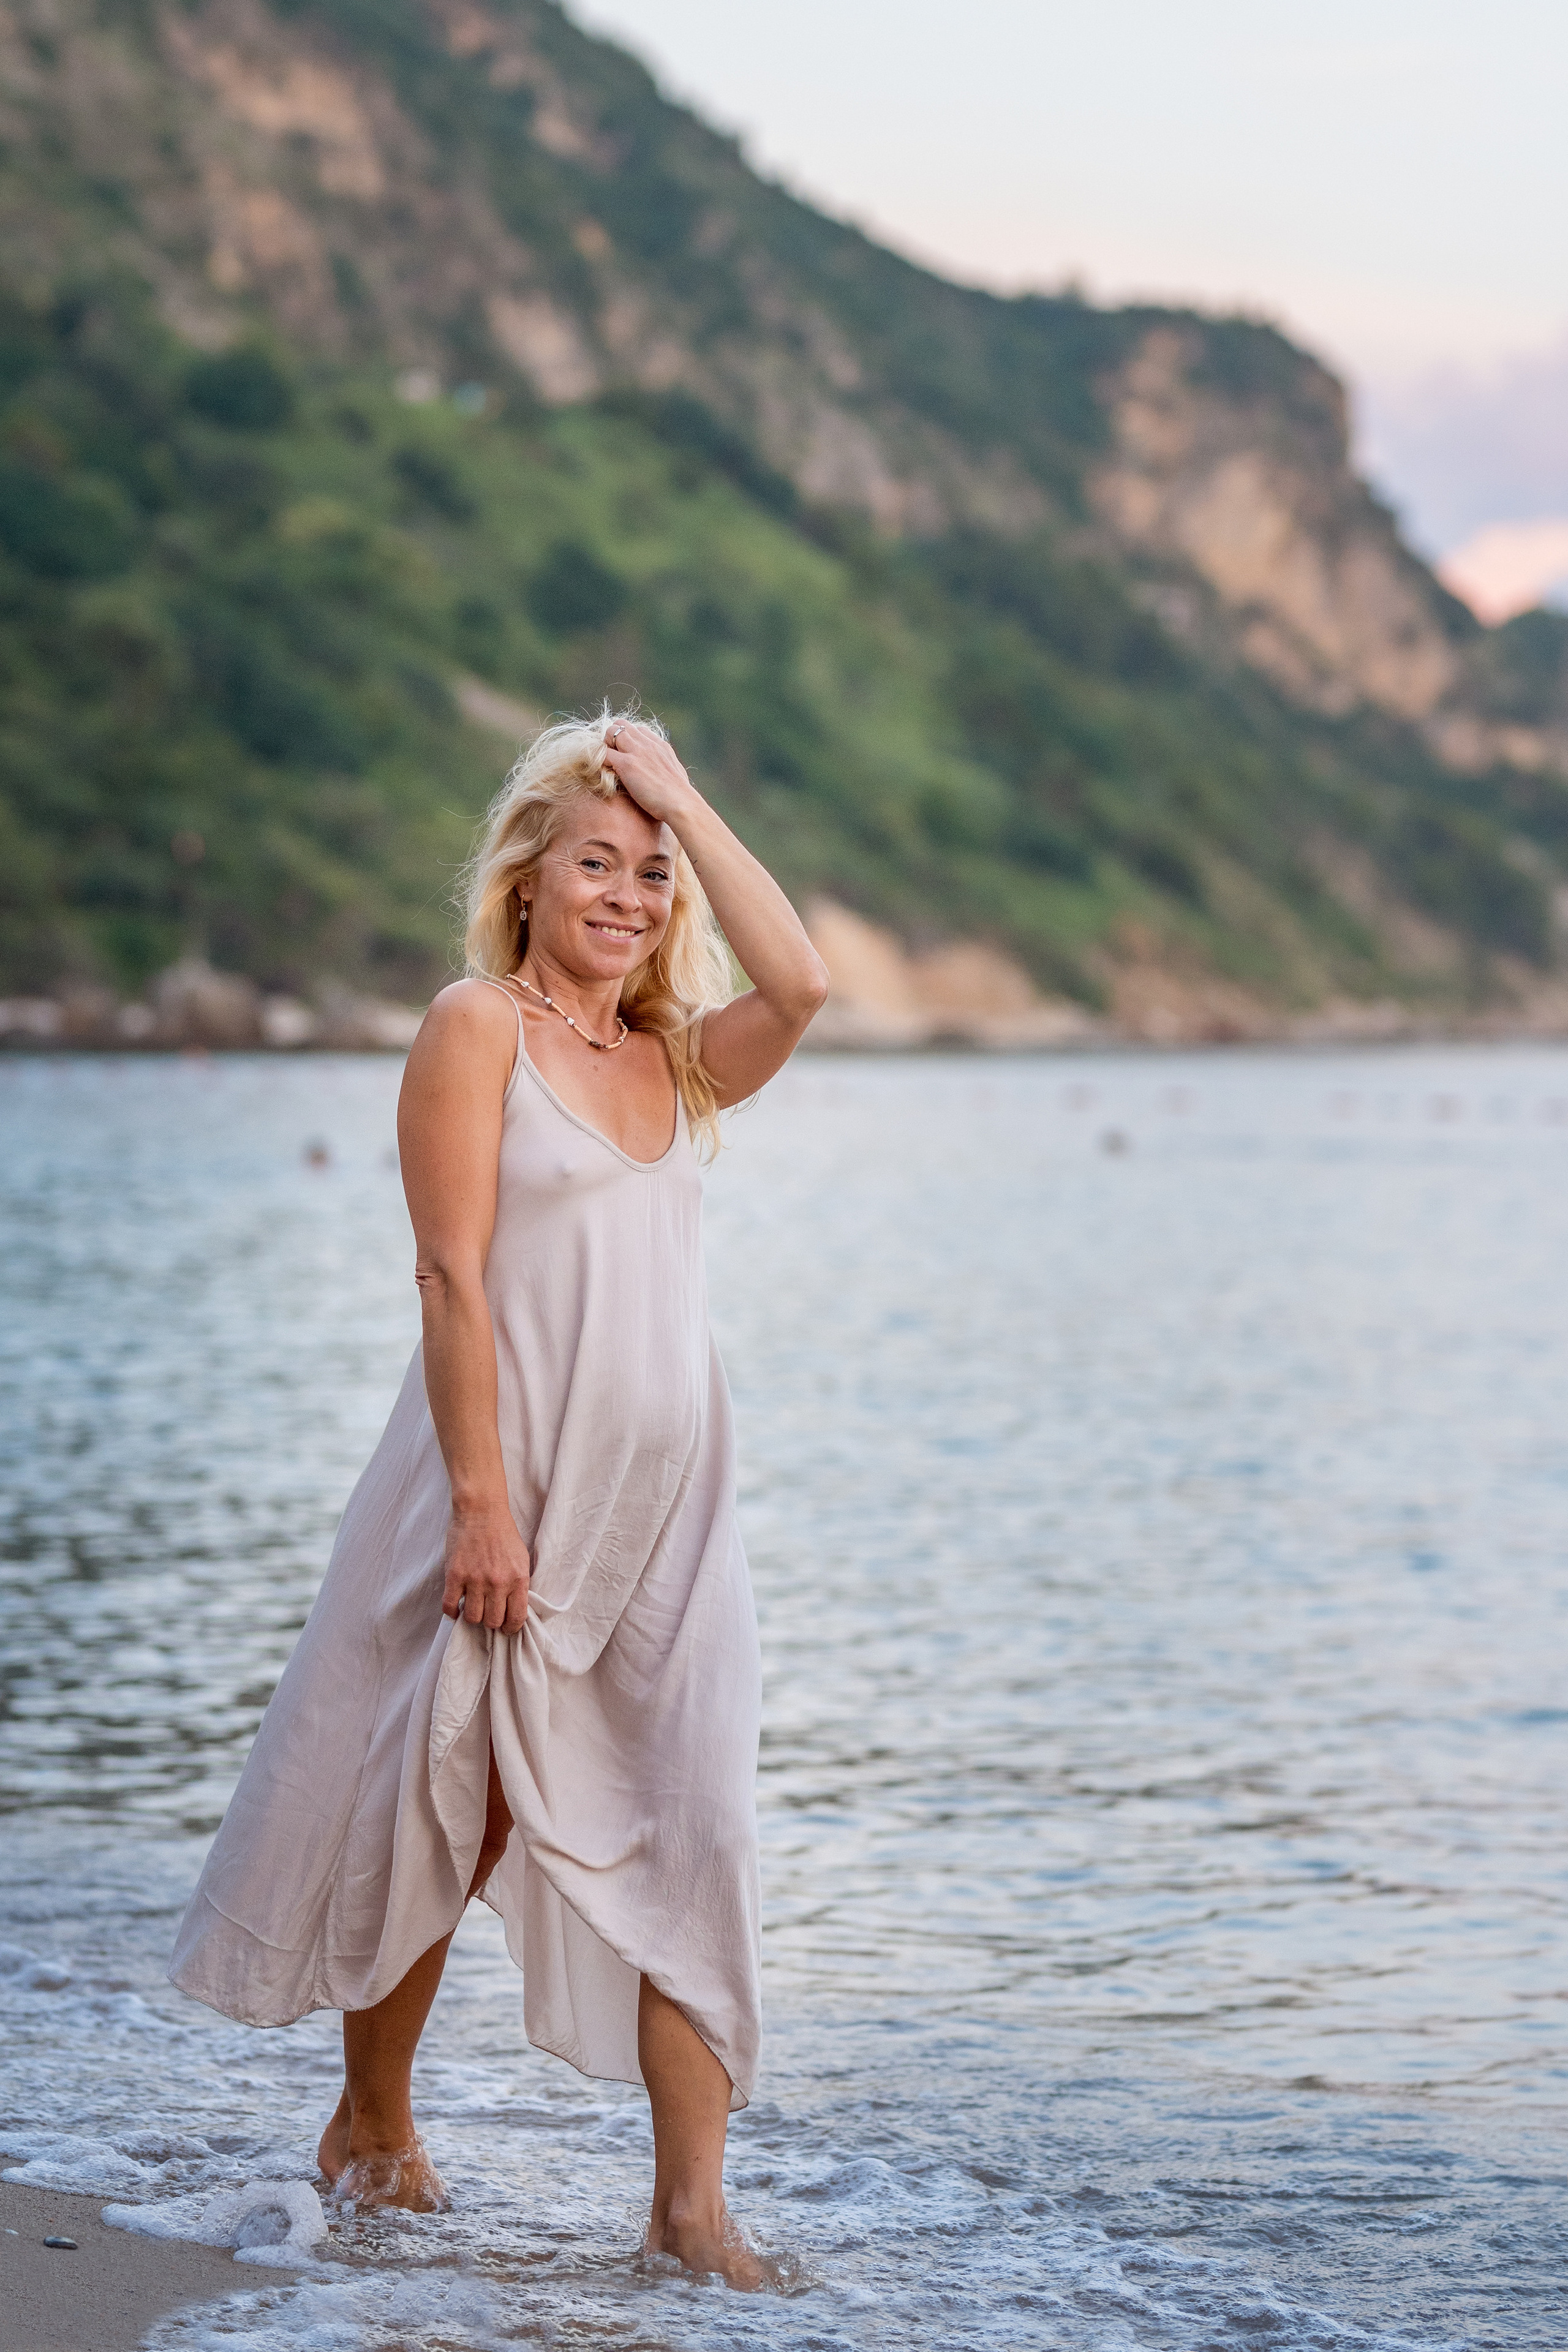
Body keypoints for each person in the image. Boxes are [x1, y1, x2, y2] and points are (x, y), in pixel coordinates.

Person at [168, 710, 828, 2286]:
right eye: (594, 861)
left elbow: (797, 983)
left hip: (669, 1509)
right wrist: (480, 1502)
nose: (627, 892)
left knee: (692, 1827)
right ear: (525, 883)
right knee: (448, 1815)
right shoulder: (475, 1027)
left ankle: (687, 2211)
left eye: (650, 874)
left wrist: (680, 795)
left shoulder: (674, 1058)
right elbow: (451, 1276)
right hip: (505, 1484)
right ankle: (371, 2123)